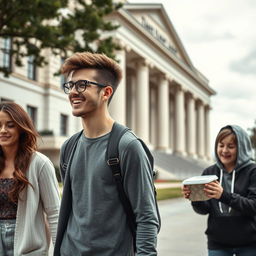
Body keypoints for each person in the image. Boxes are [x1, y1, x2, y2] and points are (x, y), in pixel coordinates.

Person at [54, 52, 159, 256]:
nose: (73, 92)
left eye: (82, 85)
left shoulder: (128, 146)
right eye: (70, 85)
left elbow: (146, 217)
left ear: (106, 92)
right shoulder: (69, 146)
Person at [183, 125, 256, 256]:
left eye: (231, 146)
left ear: (242, 148)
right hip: (218, 244)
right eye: (221, 145)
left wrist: (223, 195)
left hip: (249, 243)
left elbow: (253, 206)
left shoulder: (252, 171)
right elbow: (204, 210)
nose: (224, 150)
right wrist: (194, 198)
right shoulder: (209, 172)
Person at [0, 102, 60, 256]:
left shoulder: (40, 164)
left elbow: (54, 213)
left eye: (10, 125)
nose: (3, 130)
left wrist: (61, 250)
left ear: (21, 128)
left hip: (29, 248)